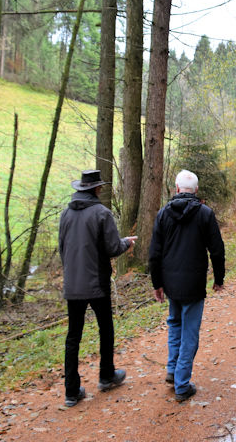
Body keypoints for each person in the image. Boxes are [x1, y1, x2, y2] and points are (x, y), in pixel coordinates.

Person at [59, 169, 136, 408]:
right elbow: (113, 248)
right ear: (96, 189)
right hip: (97, 283)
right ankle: (106, 376)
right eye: (100, 187)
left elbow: (62, 248)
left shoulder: (65, 214)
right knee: (106, 328)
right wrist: (127, 243)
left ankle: (71, 391)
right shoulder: (102, 213)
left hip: (73, 283)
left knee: (73, 336)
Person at [149, 169, 226, 402]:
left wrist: (157, 283)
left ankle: (173, 371)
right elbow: (217, 249)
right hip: (193, 283)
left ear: (176, 188)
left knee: (175, 325)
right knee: (189, 332)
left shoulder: (163, 214)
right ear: (196, 190)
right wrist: (219, 279)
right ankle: (182, 384)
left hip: (171, 284)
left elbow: (154, 253)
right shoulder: (205, 214)